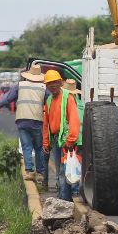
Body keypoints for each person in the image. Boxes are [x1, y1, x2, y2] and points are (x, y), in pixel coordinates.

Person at [0, 64, 47, 185]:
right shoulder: (43, 88)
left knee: (26, 147)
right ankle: (40, 174)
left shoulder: (20, 86)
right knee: (39, 147)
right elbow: (51, 102)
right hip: (37, 121)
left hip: (22, 120)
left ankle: (30, 172)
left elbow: (6, 99)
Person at [42, 70, 81, 202]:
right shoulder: (49, 100)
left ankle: (64, 201)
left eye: (54, 82)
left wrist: (70, 140)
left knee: (64, 172)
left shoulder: (68, 97)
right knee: (60, 172)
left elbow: (74, 119)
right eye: (49, 83)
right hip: (57, 140)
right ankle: (63, 199)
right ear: (46, 86)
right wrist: (46, 142)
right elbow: (46, 123)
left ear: (60, 82)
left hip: (66, 140)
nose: (52, 85)